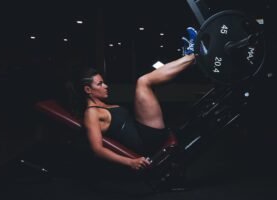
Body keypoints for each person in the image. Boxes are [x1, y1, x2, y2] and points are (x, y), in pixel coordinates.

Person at [70, 27, 198, 171]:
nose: (106, 86)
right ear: (88, 90)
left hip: (143, 131)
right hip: (146, 140)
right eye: (100, 84)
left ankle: (189, 58)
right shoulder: (91, 113)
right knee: (143, 82)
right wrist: (130, 162)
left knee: (148, 84)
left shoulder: (102, 106)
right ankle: (192, 56)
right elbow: (97, 150)